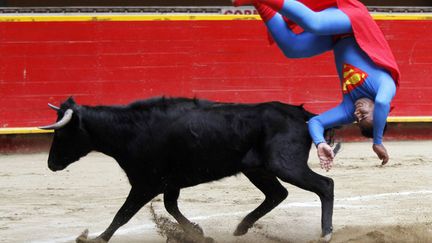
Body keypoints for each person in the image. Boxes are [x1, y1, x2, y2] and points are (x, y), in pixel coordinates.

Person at [232, 0, 400, 171]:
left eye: (357, 120)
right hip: (356, 23)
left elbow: (316, 122)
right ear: (380, 114)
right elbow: (382, 103)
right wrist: (377, 142)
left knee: (293, 48)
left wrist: (320, 143)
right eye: (364, 116)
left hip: (336, 38)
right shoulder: (385, 86)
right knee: (315, 23)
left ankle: (259, 3)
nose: (357, 114)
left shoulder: (350, 109)